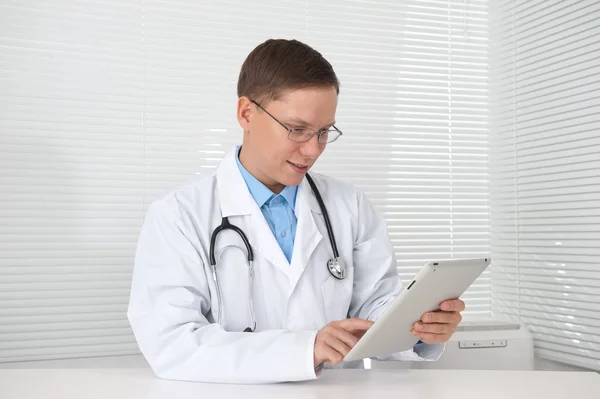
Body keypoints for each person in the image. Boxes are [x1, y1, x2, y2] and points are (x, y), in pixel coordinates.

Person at [127, 38, 465, 384]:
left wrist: (417, 328)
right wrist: (305, 349)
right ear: (246, 113)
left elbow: (373, 313)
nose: (312, 149)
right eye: (297, 129)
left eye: (323, 132)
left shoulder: (349, 206)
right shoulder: (178, 215)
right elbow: (172, 345)